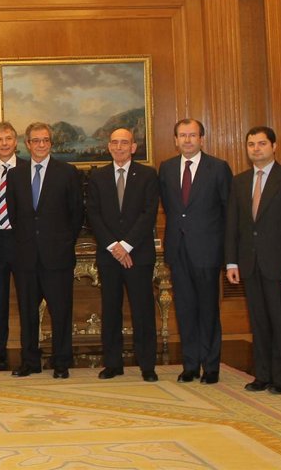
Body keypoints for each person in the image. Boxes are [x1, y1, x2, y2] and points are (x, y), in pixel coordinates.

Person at [225, 126, 281, 395]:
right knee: (259, 323)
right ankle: (262, 375)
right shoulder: (239, 182)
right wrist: (231, 262)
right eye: (251, 144)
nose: (256, 149)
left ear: (274, 146)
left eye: (261, 143)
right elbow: (233, 226)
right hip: (250, 265)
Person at [159, 118, 232, 384]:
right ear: (175, 140)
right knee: (185, 310)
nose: (187, 140)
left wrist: (229, 254)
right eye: (182, 135)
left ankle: (211, 366)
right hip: (178, 251)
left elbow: (229, 212)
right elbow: (170, 207)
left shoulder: (218, 168)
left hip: (207, 251)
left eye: (192, 135)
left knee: (208, 310)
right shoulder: (166, 168)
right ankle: (190, 365)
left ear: (201, 139)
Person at [86, 128, 160, 382]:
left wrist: (126, 246)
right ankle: (112, 364)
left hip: (138, 255)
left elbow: (149, 213)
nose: (119, 147)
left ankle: (147, 365)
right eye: (115, 143)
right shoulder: (98, 177)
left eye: (124, 143)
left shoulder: (148, 175)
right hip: (109, 256)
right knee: (110, 310)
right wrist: (113, 246)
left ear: (133, 147)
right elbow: (93, 214)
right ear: (108, 147)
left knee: (143, 310)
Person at [10, 122, 83, 379]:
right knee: (27, 312)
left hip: (57, 256)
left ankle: (61, 361)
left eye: (45, 140)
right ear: (27, 144)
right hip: (26, 256)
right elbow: (14, 214)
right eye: (36, 140)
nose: (41, 145)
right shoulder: (15, 174)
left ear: (51, 143)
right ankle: (30, 361)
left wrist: (63, 242)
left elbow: (76, 214)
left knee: (60, 311)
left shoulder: (67, 173)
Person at [0, 121, 26, 371]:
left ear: (16, 141)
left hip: (22, 244)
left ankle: (29, 351)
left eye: (8, 138)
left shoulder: (27, 169)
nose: (4, 143)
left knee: (27, 300)